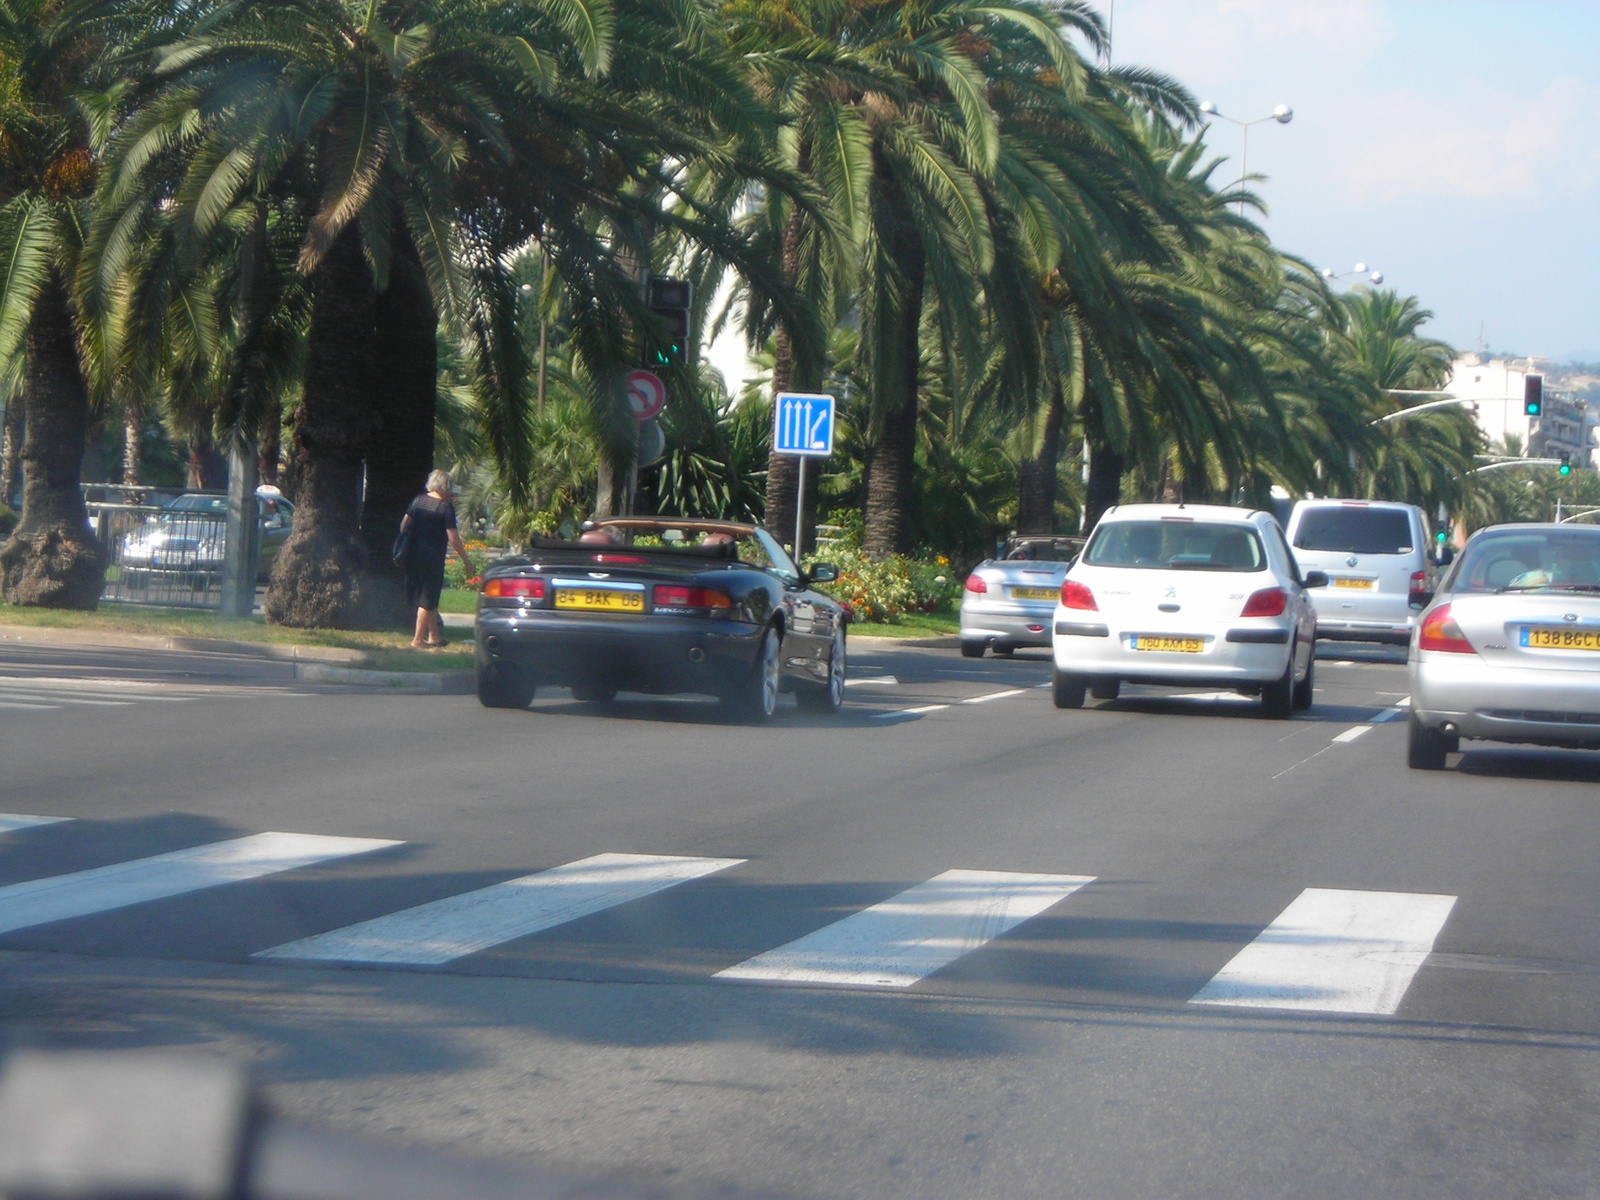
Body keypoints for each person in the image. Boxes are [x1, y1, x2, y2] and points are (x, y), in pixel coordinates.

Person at [400, 470, 475, 649]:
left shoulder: (418, 500)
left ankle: (434, 637)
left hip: (414, 557)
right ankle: (417, 640)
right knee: (427, 600)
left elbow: (404, 525)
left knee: (430, 598)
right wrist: (466, 560)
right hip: (432, 558)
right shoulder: (444, 507)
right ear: (445, 486)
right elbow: (454, 538)